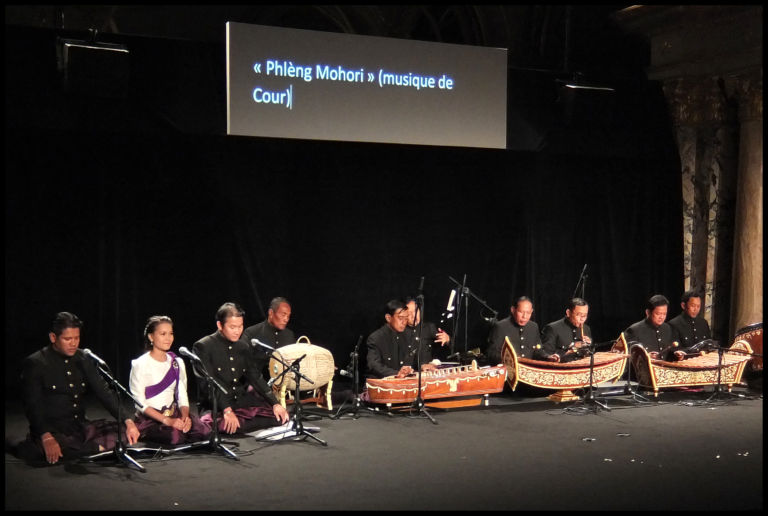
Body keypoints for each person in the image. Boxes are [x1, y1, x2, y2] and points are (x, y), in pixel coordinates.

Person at [19, 312, 140, 465]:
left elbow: (104, 393)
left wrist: (128, 420)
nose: (73, 343)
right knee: (56, 450)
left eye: (77, 338)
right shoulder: (36, 363)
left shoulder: (83, 358)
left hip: (79, 427)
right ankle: (95, 450)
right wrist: (46, 436)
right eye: (67, 339)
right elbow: (32, 406)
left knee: (123, 432)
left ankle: (93, 449)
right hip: (53, 430)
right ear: (53, 338)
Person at [192, 302, 289, 435]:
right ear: (220, 325)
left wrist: (275, 403)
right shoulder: (203, 346)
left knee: (280, 416)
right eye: (232, 327)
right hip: (216, 405)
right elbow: (209, 385)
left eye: (240, 326)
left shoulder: (243, 346)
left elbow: (255, 377)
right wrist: (226, 410)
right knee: (221, 426)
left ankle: (240, 423)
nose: (238, 331)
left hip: (239, 400)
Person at [128, 315, 210, 445]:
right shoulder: (140, 364)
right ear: (151, 337)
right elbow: (139, 403)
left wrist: (185, 416)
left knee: (205, 432)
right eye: (163, 334)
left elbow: (182, 395)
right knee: (175, 437)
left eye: (170, 333)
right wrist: (167, 421)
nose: (168, 338)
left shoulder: (177, 362)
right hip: (151, 418)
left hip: (173, 413)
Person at [366, 299, 437, 379]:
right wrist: (396, 373)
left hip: (404, 383)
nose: (404, 322)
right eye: (400, 318)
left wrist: (422, 366)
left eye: (406, 318)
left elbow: (414, 359)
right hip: (382, 384)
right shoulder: (376, 338)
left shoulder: (409, 335)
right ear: (388, 318)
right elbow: (374, 365)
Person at [486, 296, 555, 364]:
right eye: (521, 312)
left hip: (528, 369)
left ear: (532, 311)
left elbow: (537, 351)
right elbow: (491, 354)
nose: (524, 316)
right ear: (513, 310)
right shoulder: (500, 326)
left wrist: (548, 357)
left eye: (528, 313)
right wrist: (512, 359)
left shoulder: (533, 327)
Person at [243, 297, 296, 375]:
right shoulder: (252, 333)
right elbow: (245, 364)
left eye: (288, 316)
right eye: (283, 314)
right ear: (271, 313)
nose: (286, 319)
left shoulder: (289, 335)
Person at [625, 295, 685, 361]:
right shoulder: (634, 330)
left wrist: (677, 355)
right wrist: (646, 357)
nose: (662, 317)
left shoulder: (668, 328)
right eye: (658, 313)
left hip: (664, 369)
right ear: (648, 312)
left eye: (664, 314)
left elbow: (670, 353)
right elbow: (627, 358)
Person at [541, 298, 594, 363]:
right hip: (561, 369)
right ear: (568, 313)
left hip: (582, 368)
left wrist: (589, 346)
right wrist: (569, 348)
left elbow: (588, 355)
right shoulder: (553, 328)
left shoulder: (586, 328)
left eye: (585, 315)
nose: (582, 319)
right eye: (579, 315)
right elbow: (546, 356)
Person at [403, 296, 450, 361]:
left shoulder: (429, 327)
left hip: (429, 369)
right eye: (409, 313)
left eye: (415, 311)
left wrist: (447, 339)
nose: (414, 316)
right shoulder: (400, 331)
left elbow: (450, 345)